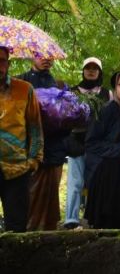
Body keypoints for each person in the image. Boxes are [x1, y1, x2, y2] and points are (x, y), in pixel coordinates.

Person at [84, 67, 120, 228]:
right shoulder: (107, 110)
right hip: (109, 176)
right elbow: (91, 143)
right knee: (109, 224)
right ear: (115, 88)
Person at [18, 56, 68, 231]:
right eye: (41, 56)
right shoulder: (20, 82)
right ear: (32, 56)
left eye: (50, 57)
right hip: (28, 152)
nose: (46, 60)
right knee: (27, 198)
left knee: (50, 201)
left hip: (53, 150)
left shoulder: (59, 85)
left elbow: (66, 121)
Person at [64, 57, 112, 229]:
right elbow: (64, 119)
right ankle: (71, 219)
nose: (91, 71)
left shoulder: (108, 94)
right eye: (88, 68)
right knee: (75, 182)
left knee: (95, 182)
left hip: (98, 144)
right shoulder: (71, 92)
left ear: (99, 72)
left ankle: (93, 217)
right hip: (76, 142)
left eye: (95, 68)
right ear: (83, 70)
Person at [0, 46, 43, 232]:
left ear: (8, 64)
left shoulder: (25, 90)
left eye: (1, 61)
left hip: (17, 170)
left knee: (16, 227)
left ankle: (14, 262)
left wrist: (33, 161)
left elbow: (35, 129)